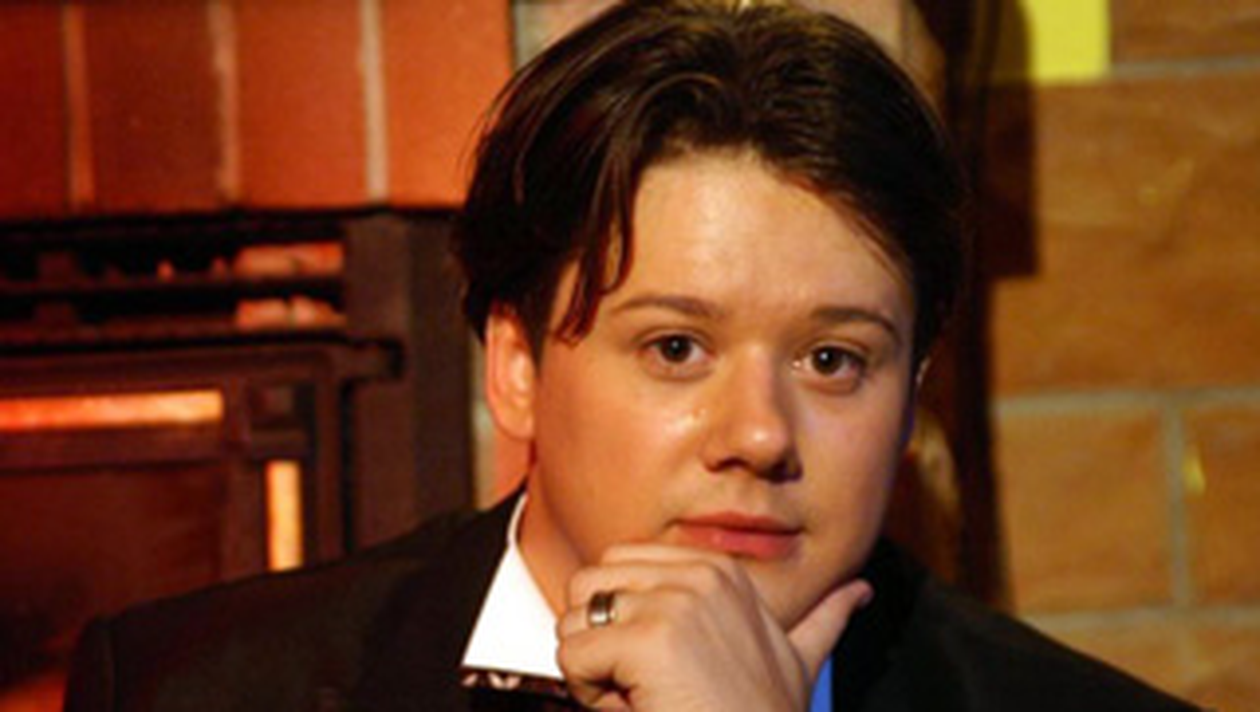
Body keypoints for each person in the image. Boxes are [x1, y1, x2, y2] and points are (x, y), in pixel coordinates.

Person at [64, 1, 1196, 710]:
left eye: (834, 361)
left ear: (914, 399)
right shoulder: (185, 689)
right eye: (677, 346)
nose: (760, 434)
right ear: (515, 365)